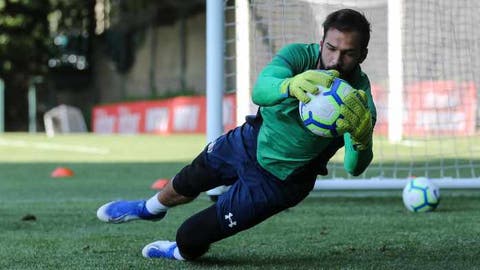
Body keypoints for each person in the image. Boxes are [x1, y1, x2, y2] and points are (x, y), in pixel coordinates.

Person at [96, 8, 377, 261]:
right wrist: (290, 85)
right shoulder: (298, 56)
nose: (335, 60)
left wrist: (363, 137)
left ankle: (177, 251)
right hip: (248, 141)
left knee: (190, 237)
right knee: (188, 179)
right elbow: (261, 90)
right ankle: (149, 209)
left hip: (278, 182)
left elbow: (354, 167)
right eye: (331, 48)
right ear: (321, 42)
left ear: (362, 55)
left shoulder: (359, 101)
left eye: (348, 53)